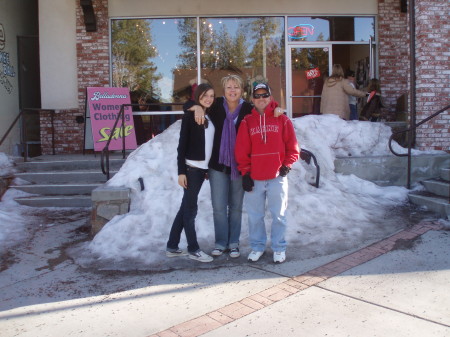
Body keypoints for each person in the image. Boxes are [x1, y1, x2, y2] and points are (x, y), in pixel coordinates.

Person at [190, 75, 284, 259]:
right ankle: (220, 243)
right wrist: (195, 108)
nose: (232, 91)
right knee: (218, 206)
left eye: (236, 87)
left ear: (242, 90)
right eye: (228, 87)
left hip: (240, 165)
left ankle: (233, 243)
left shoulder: (249, 109)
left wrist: (278, 109)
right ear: (224, 90)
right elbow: (195, 103)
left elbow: (267, 108)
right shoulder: (215, 105)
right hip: (217, 164)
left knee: (235, 206)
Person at [235, 83, 300, 264]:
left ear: (270, 97)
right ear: (252, 100)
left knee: (278, 215)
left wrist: (287, 164)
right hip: (255, 177)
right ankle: (257, 247)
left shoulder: (282, 119)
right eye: (257, 96)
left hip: (276, 177)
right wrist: (245, 173)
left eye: (265, 95)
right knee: (255, 217)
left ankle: (279, 247)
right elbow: (241, 150)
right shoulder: (247, 121)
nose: (261, 99)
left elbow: (292, 146)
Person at [166, 83, 215, 263]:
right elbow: (182, 146)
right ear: (198, 97)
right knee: (190, 209)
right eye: (204, 96)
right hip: (191, 169)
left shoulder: (209, 115)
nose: (208, 99)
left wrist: (208, 167)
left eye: (211, 95)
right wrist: (181, 172)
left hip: (202, 170)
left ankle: (172, 245)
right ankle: (193, 249)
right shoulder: (190, 116)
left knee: (185, 207)